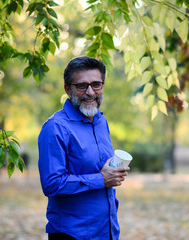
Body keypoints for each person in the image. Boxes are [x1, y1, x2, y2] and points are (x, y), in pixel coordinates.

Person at [38, 56, 130, 240]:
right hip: (72, 234)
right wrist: (100, 179)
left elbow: (102, 172)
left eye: (96, 84)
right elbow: (52, 185)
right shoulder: (56, 127)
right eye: (81, 86)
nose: (90, 92)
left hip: (107, 231)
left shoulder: (101, 121)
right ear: (67, 89)